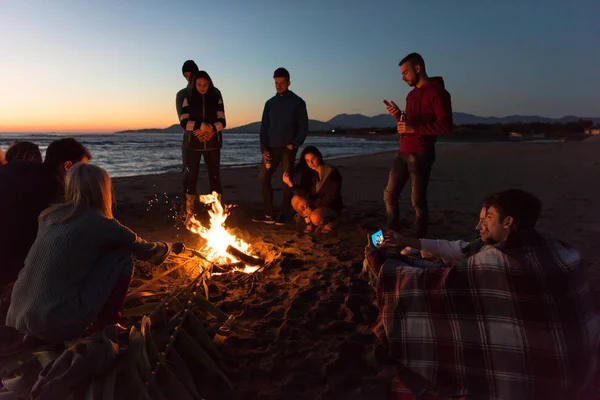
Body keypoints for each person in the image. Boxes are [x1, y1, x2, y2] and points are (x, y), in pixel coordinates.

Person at [364, 189, 600, 399]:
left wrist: (382, 261)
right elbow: (459, 249)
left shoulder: (499, 261)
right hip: (580, 363)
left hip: (536, 370)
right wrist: (407, 241)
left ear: (508, 222)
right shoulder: (560, 251)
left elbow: (443, 280)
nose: (479, 227)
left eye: (487, 219)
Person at [6, 163, 184, 343]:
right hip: (56, 323)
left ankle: (39, 331)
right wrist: (170, 246)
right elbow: (146, 250)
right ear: (103, 189)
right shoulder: (101, 223)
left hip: (20, 317)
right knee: (123, 256)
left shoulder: (49, 216)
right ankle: (109, 323)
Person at [383, 53, 453, 255]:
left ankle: (416, 242)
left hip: (421, 153)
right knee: (389, 194)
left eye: (405, 72)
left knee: (417, 201)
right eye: (402, 73)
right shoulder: (411, 95)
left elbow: (446, 125)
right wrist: (398, 116)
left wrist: (414, 129)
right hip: (402, 151)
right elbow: (408, 123)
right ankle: (391, 234)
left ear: (418, 68)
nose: (403, 77)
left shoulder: (438, 93)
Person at [0, 138, 92, 287]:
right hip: (14, 268)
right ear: (68, 166)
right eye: (81, 170)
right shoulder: (56, 189)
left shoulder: (12, 170)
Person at [253, 67, 309, 226]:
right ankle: (269, 213)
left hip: (287, 148)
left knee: (287, 181)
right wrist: (263, 148)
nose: (279, 86)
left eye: (282, 83)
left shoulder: (298, 102)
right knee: (263, 178)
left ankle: (284, 215)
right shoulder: (269, 103)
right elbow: (264, 127)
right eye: (276, 83)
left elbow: (303, 126)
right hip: (270, 148)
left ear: (288, 82)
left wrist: (295, 143)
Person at [179, 71, 226, 220]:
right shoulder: (189, 98)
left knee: (214, 176)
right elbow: (184, 121)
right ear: (195, 84)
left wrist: (211, 129)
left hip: (213, 144)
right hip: (194, 144)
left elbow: (222, 121)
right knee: (192, 177)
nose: (202, 87)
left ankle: (218, 212)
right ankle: (189, 212)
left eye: (205, 85)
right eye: (199, 85)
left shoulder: (216, 97)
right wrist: (200, 126)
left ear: (209, 84)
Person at [281, 146, 343, 233]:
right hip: (314, 204)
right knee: (296, 200)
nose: (311, 163)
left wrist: (313, 206)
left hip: (330, 206)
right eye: (307, 160)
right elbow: (303, 192)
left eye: (313, 159)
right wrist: (290, 184)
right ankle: (309, 223)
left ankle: (332, 220)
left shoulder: (331, 173)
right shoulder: (309, 172)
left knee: (315, 217)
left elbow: (331, 197)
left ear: (319, 157)